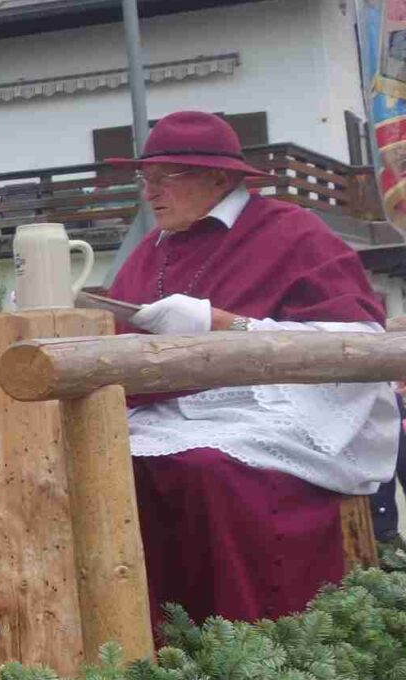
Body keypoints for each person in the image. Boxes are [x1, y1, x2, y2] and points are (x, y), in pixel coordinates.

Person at [107, 109, 400, 623]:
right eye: (145, 178)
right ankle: (145, 637)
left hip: (277, 410)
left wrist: (223, 324)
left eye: (165, 177)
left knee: (206, 471)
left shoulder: (293, 232)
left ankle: (252, 634)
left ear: (219, 178)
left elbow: (355, 344)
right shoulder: (150, 251)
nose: (150, 192)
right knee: (109, 467)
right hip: (164, 413)